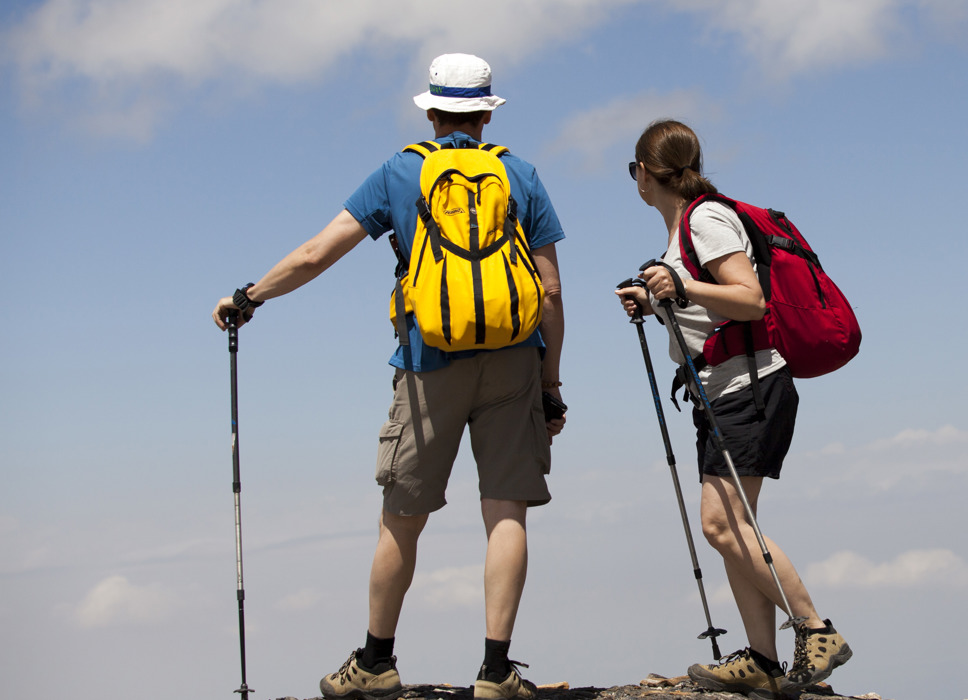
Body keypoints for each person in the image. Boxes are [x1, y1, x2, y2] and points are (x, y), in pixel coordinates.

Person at [211, 53, 565, 700]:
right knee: (505, 510)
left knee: (401, 517)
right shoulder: (520, 174)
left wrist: (250, 297)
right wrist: (551, 384)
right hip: (515, 359)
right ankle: (495, 673)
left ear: (430, 111)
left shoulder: (402, 171)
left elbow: (318, 253)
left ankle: (375, 663)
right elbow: (549, 292)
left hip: (428, 363)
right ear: (487, 113)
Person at [614, 120, 851, 699]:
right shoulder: (688, 227)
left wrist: (680, 287)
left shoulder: (703, 219)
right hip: (722, 390)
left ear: (645, 172)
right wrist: (655, 298)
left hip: (749, 386)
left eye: (634, 170)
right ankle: (763, 660)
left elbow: (749, 299)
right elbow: (708, 301)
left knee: (722, 525)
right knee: (732, 524)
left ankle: (816, 629)